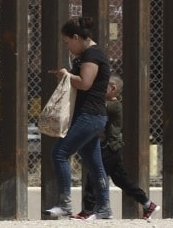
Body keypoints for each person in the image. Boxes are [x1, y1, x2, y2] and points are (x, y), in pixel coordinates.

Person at [44, 15, 111, 220]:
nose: (67, 47)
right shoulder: (87, 54)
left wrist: (67, 75)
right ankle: (104, 209)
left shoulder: (93, 55)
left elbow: (84, 83)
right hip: (91, 115)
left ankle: (64, 204)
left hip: (90, 115)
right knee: (94, 163)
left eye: (67, 43)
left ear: (76, 37)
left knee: (60, 153)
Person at [79, 75, 158, 220]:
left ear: (113, 88)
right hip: (112, 148)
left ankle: (88, 211)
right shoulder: (108, 104)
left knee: (94, 176)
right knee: (122, 181)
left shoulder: (112, 105)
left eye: (103, 86)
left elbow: (94, 107)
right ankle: (148, 204)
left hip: (109, 148)